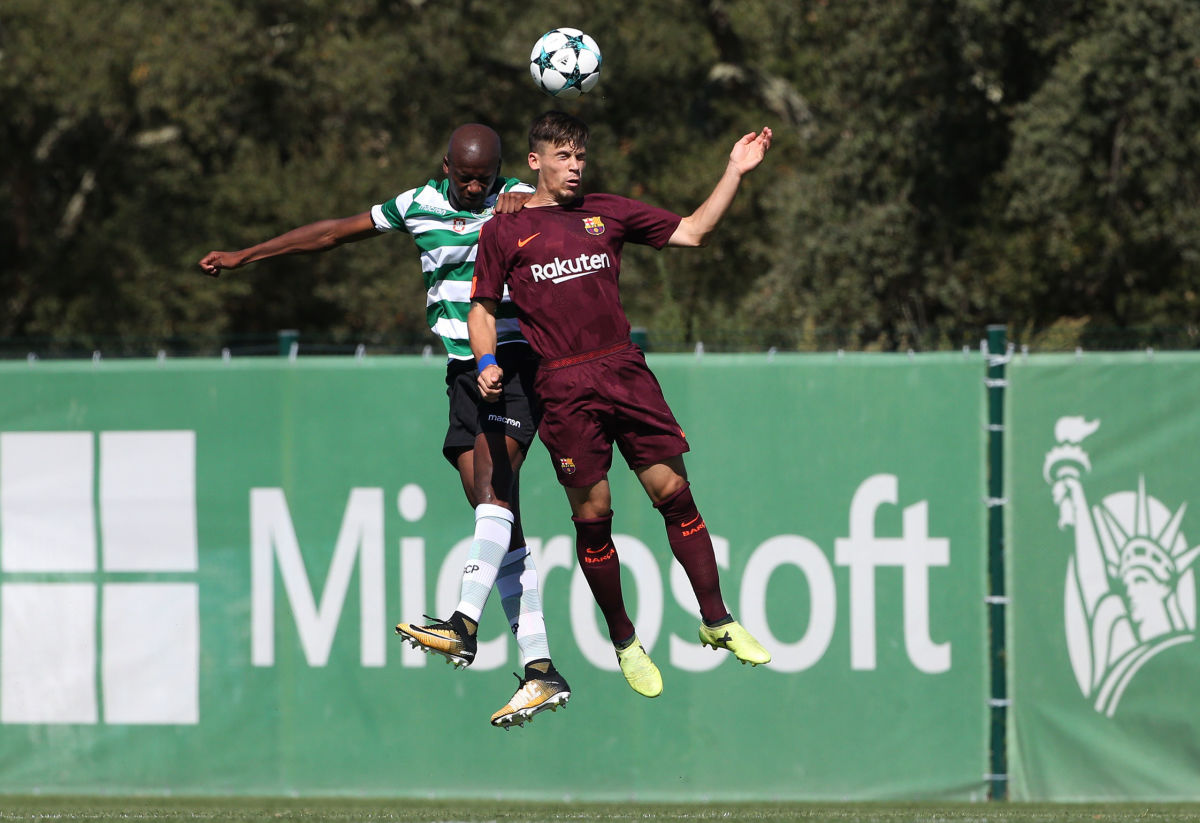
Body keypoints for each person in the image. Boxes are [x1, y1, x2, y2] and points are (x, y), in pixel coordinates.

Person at [198, 124, 569, 728]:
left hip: (515, 364)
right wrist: (247, 255)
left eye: (486, 175)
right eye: (464, 175)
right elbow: (331, 233)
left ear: (501, 169)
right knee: (498, 519)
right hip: (463, 374)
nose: (476, 186)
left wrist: (537, 200)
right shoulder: (414, 205)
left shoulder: (522, 200)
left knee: (496, 499)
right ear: (444, 165)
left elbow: (582, 215)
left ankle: (462, 623)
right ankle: (539, 668)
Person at [467, 110, 773, 699]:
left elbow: (693, 231)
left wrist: (735, 171)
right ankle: (625, 640)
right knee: (594, 514)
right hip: (562, 386)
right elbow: (481, 308)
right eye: (563, 156)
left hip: (624, 370)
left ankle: (717, 619)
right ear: (535, 163)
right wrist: (485, 363)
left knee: (673, 494)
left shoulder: (605, 211)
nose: (575, 166)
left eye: (581, 156)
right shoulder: (503, 229)